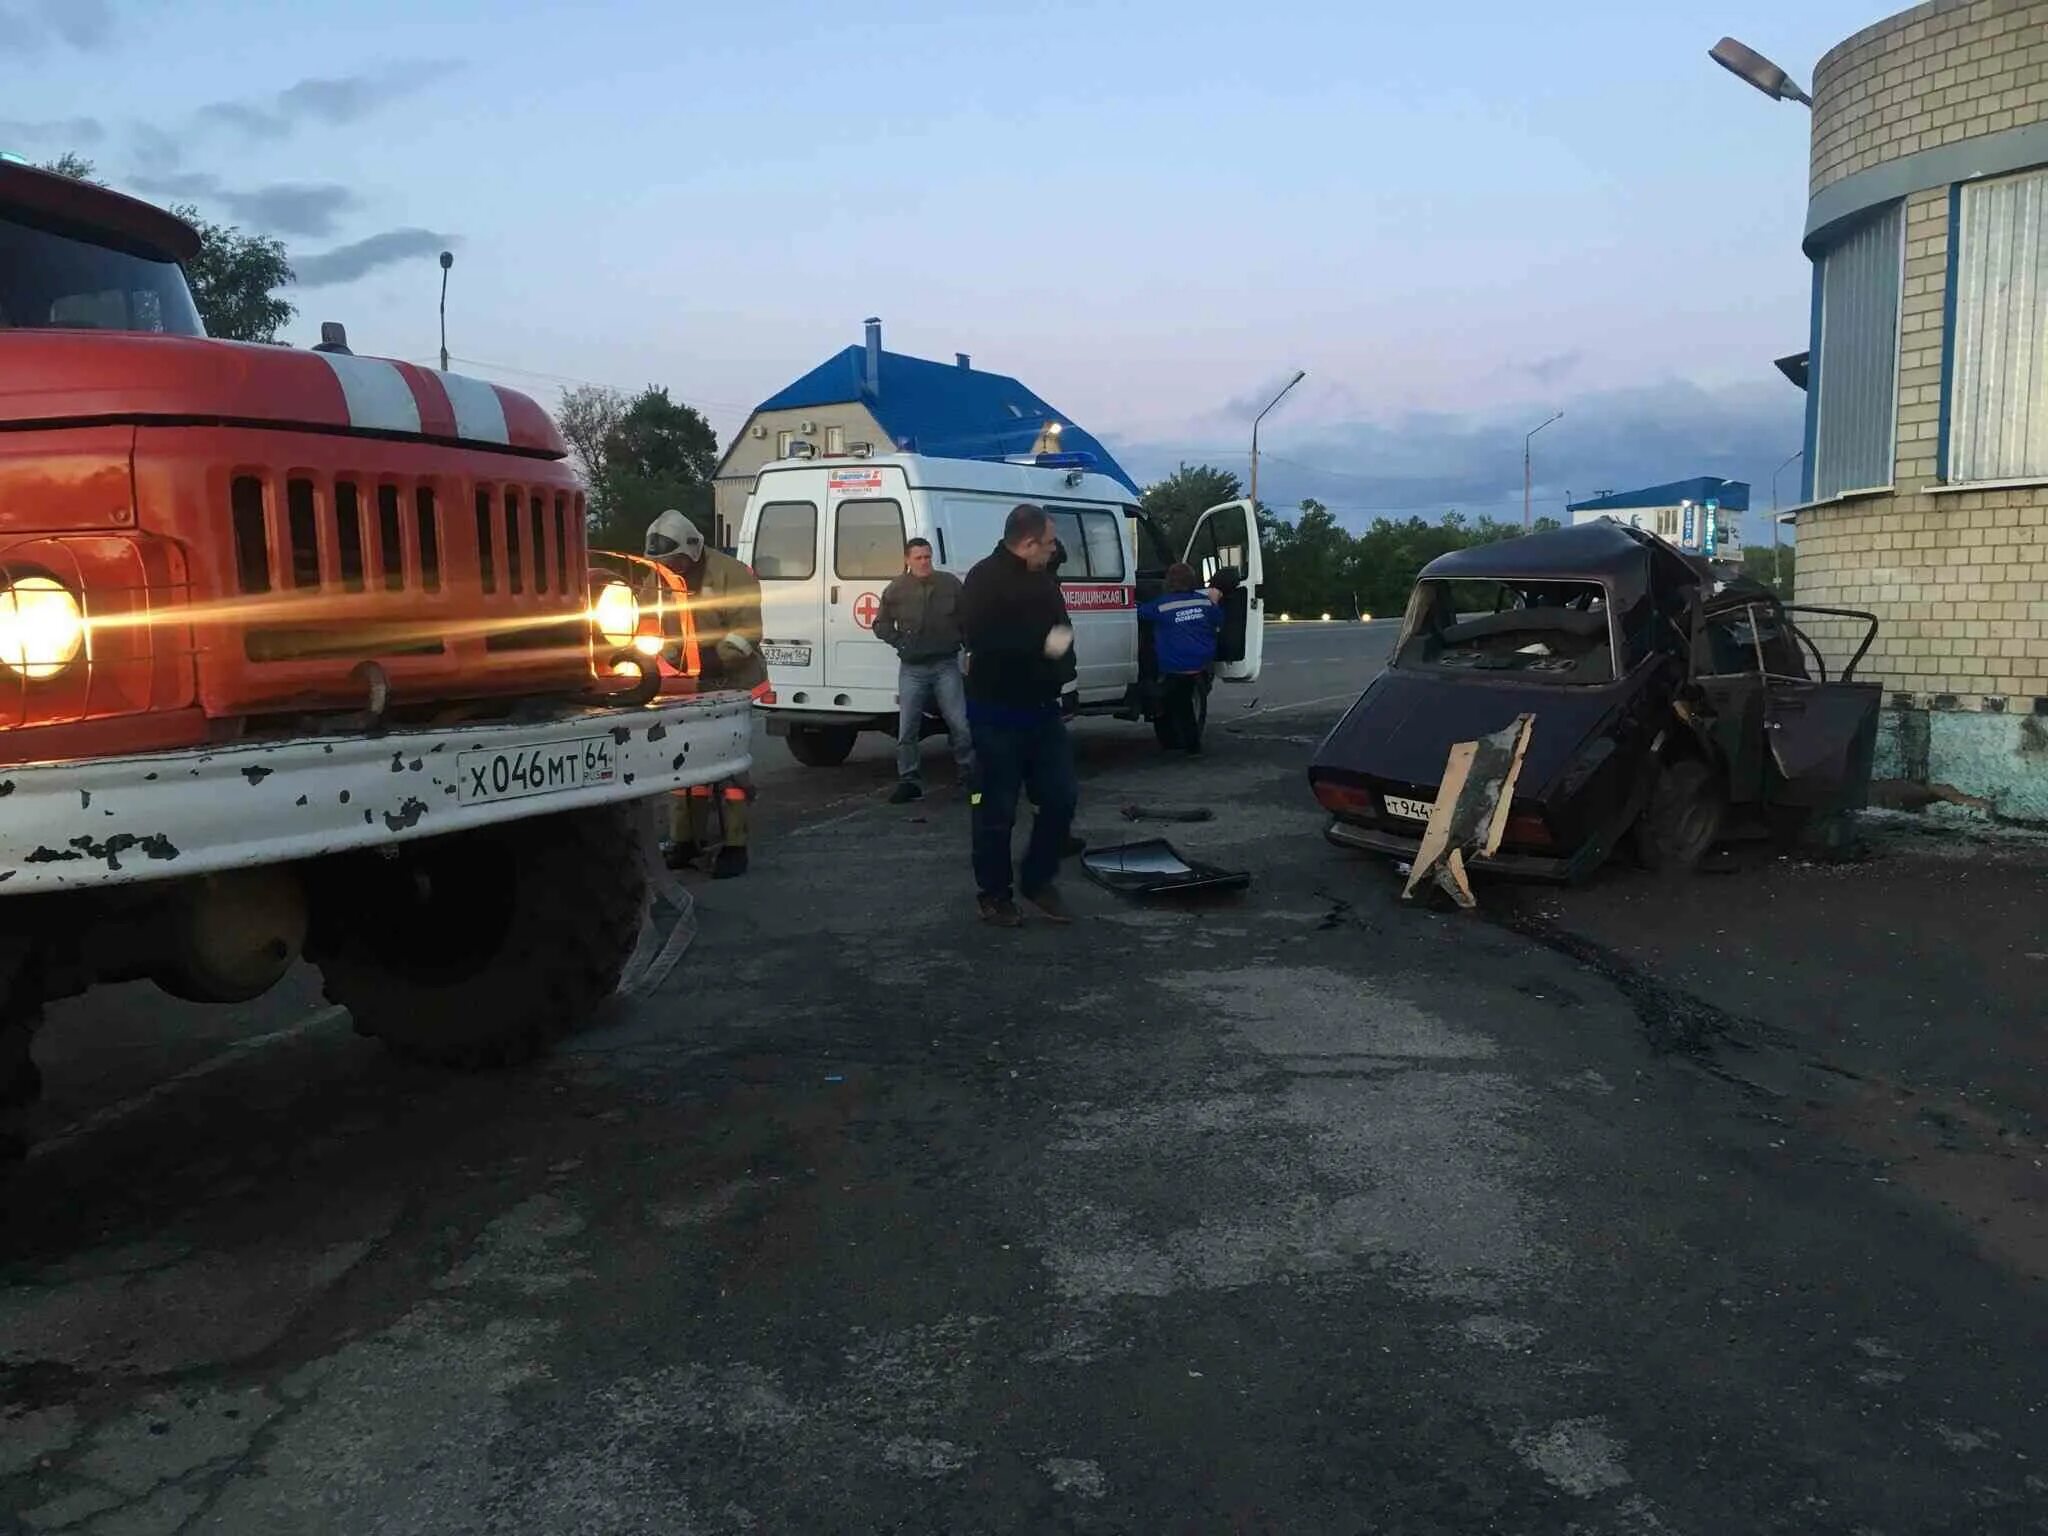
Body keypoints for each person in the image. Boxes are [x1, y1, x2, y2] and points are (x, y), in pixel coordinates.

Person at [959, 504, 1079, 927]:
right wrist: (1042, 648)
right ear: (1027, 543)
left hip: (1043, 712)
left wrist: (1061, 673)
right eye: (1048, 544)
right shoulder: (983, 581)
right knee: (995, 810)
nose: (1053, 551)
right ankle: (994, 895)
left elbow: (1063, 631)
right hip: (996, 715)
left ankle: (1038, 879)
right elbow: (988, 643)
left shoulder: (1044, 581)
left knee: (1062, 797)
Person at [645, 509, 764, 879]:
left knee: (729, 769)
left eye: (675, 560)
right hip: (685, 685)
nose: (670, 567)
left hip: (730, 682)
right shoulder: (660, 576)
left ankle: (735, 845)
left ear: (692, 549)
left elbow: (747, 630)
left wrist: (714, 660)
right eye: (664, 562)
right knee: (685, 768)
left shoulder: (731, 573)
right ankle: (684, 840)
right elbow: (649, 620)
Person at [873, 537, 974, 804]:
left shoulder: (949, 584)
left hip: (945, 664)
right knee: (907, 728)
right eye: (918, 557)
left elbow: (967, 619)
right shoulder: (896, 589)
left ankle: (969, 775)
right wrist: (901, 643)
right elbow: (881, 624)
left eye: (927, 556)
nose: (924, 562)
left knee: (960, 724)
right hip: (913, 668)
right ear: (907, 560)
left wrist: (970, 649)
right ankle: (909, 780)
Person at [1138, 562, 1223, 753]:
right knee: (1182, 702)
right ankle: (1185, 743)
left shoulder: (1162, 605)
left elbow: (1138, 612)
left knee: (1176, 703)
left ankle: (1188, 745)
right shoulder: (1203, 603)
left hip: (1175, 665)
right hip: (1200, 663)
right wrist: (1214, 600)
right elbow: (1219, 620)